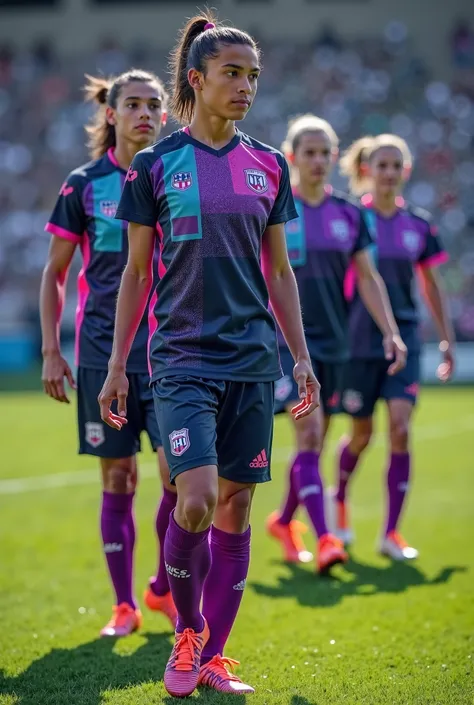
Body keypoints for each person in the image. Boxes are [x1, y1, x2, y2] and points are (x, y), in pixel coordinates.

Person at [98, 12, 320, 698]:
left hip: (253, 363)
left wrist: (300, 357)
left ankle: (213, 652)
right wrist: (115, 365)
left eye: (252, 75)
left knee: (235, 508)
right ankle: (188, 629)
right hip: (181, 360)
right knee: (191, 501)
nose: (246, 86)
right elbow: (136, 273)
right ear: (196, 80)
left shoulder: (269, 165)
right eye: (232, 73)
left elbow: (280, 272)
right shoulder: (156, 167)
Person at [40, 69, 178, 638]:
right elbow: (55, 273)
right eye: (133, 104)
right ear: (111, 114)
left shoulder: (181, 175)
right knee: (118, 477)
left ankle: (164, 589)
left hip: (173, 353)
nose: (144, 113)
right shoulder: (84, 184)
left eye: (154, 105)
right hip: (103, 355)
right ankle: (125, 605)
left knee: (179, 481)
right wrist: (52, 350)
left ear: (166, 115)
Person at [265, 115, 406, 573]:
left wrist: (390, 331)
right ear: (292, 158)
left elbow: (368, 277)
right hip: (286, 345)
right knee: (309, 433)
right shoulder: (274, 210)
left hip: (335, 345)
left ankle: (285, 521)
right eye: (310, 152)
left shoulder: (349, 213)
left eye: (326, 152)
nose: (319, 160)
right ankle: (326, 538)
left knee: (317, 440)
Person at [330, 134, 455, 559]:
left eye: (395, 165)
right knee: (361, 435)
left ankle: (391, 534)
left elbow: (432, 285)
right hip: (357, 344)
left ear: (405, 171)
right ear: (366, 169)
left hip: (405, 341)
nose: (388, 172)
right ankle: (340, 505)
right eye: (381, 164)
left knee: (400, 429)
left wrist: (446, 339)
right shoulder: (348, 219)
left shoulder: (419, 226)